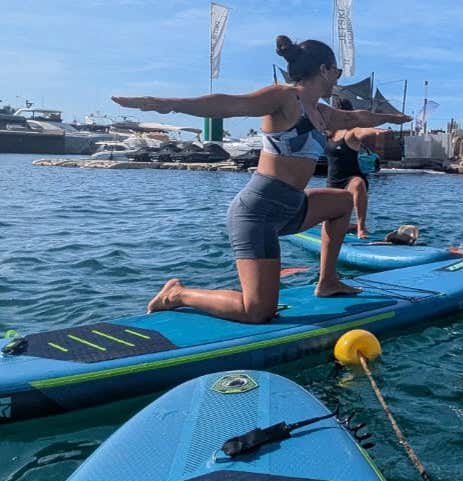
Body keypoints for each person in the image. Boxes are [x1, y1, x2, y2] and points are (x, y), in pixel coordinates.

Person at [112, 35, 411, 323]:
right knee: (257, 311)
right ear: (323, 70)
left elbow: (357, 118)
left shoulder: (322, 113)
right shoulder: (284, 97)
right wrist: (167, 103)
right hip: (257, 213)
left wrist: (392, 120)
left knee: (344, 201)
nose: (338, 78)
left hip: (293, 207)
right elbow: (230, 104)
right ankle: (178, 294)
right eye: (337, 71)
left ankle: (328, 281)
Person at [326, 97, 390, 239]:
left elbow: (362, 131)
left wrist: (375, 131)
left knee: (358, 183)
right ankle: (350, 227)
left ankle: (361, 228)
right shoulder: (328, 133)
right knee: (333, 223)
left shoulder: (352, 132)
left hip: (351, 178)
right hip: (333, 182)